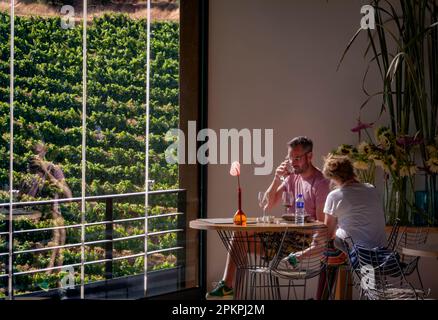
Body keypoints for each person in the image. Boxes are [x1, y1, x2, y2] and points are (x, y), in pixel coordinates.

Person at [206, 136, 331, 299]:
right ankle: (228, 288)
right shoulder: (292, 177)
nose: (293, 162)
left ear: (310, 156)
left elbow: (322, 226)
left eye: (297, 158)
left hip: (300, 244)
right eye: (290, 158)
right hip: (284, 237)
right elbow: (266, 204)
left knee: (241, 241)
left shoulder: (320, 183)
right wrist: (276, 177)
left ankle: (229, 288)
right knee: (240, 235)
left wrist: (301, 225)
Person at [25, 142, 72, 274]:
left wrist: (46, 171)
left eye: (39, 151)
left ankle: (54, 286)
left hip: (52, 221)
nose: (36, 156)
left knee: (54, 260)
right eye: (33, 152)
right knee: (36, 263)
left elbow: (68, 194)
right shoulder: (29, 174)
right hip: (33, 222)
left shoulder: (53, 169)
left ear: (44, 152)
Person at [322, 154, 387, 250]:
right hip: (380, 250)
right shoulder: (371, 188)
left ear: (333, 178)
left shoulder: (335, 196)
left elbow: (327, 234)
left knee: (328, 245)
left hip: (356, 252)